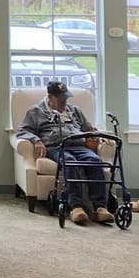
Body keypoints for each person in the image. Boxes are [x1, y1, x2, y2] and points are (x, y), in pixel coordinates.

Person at [15, 81, 113, 225]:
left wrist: (100, 135)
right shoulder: (36, 111)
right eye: (61, 99)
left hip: (79, 145)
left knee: (95, 161)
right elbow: (23, 130)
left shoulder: (74, 110)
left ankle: (100, 208)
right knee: (70, 162)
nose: (64, 102)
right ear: (50, 97)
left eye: (66, 98)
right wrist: (37, 140)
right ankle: (76, 207)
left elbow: (89, 128)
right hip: (56, 147)